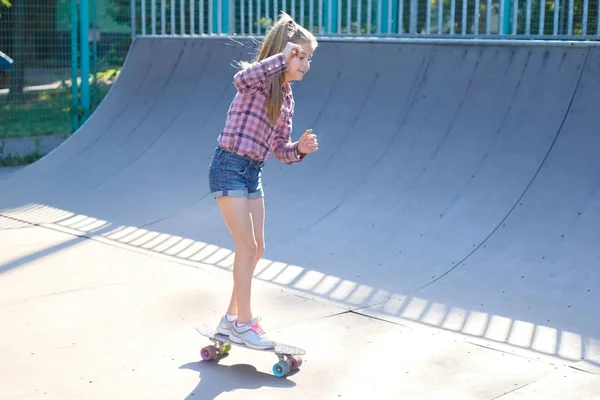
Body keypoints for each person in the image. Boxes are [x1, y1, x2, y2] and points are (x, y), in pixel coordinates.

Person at [207, 12, 319, 350]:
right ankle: (244, 323)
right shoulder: (257, 80)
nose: (307, 64)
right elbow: (241, 78)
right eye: (302, 56)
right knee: (247, 247)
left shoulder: (286, 98)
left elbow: (278, 148)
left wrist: (298, 148)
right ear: (285, 53)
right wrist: (280, 59)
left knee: (257, 250)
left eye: (309, 59)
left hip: (252, 172)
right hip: (228, 166)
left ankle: (229, 320)